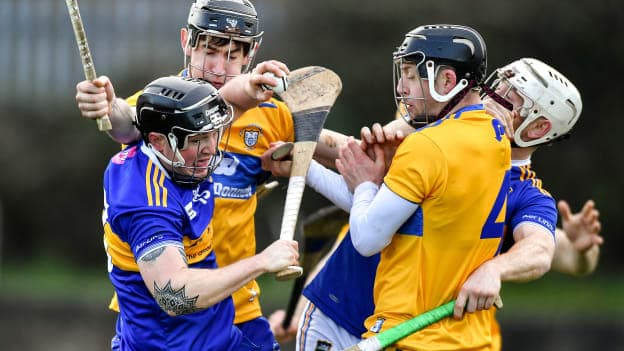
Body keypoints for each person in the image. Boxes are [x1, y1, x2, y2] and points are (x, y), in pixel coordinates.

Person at [262, 57, 602, 351]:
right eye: (496, 85)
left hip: (413, 335)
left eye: (509, 98)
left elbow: (542, 249)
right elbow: (355, 159)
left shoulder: (528, 194)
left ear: (538, 127)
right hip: (340, 309)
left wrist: (496, 269)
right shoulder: (439, 134)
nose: (490, 98)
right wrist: (291, 128)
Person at [267, 24, 511, 350]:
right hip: (458, 336)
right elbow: (393, 215)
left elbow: (368, 237)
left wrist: (367, 183)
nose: (401, 85)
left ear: (448, 81)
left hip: (404, 332)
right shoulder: (494, 138)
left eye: (411, 74)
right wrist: (308, 168)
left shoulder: (428, 147)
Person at [75, 0, 297, 348]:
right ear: (186, 42)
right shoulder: (159, 109)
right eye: (211, 51)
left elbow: (324, 145)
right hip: (164, 321)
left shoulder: (262, 111)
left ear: (252, 53)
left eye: (234, 55)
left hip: (231, 312)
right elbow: (126, 123)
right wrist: (108, 105)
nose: (221, 68)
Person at [103, 75, 299, 350]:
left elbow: (222, 108)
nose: (210, 149)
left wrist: (249, 86)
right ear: (159, 141)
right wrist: (263, 262)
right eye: (197, 140)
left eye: (212, 135)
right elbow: (174, 295)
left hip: (216, 334)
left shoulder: (178, 154)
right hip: (171, 344)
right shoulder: (145, 203)